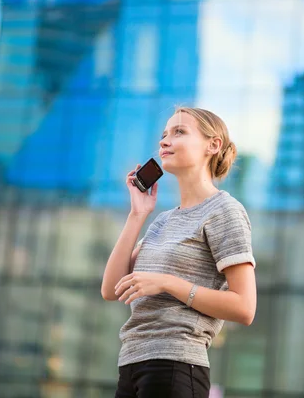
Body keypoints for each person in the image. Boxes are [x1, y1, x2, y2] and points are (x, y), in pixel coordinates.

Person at [101, 107, 258, 398]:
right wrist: (137, 214)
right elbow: (111, 289)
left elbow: (245, 308)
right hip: (131, 365)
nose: (164, 141)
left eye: (179, 132)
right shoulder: (163, 220)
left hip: (175, 366)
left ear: (213, 145)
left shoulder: (225, 211)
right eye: (163, 135)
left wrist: (167, 283)